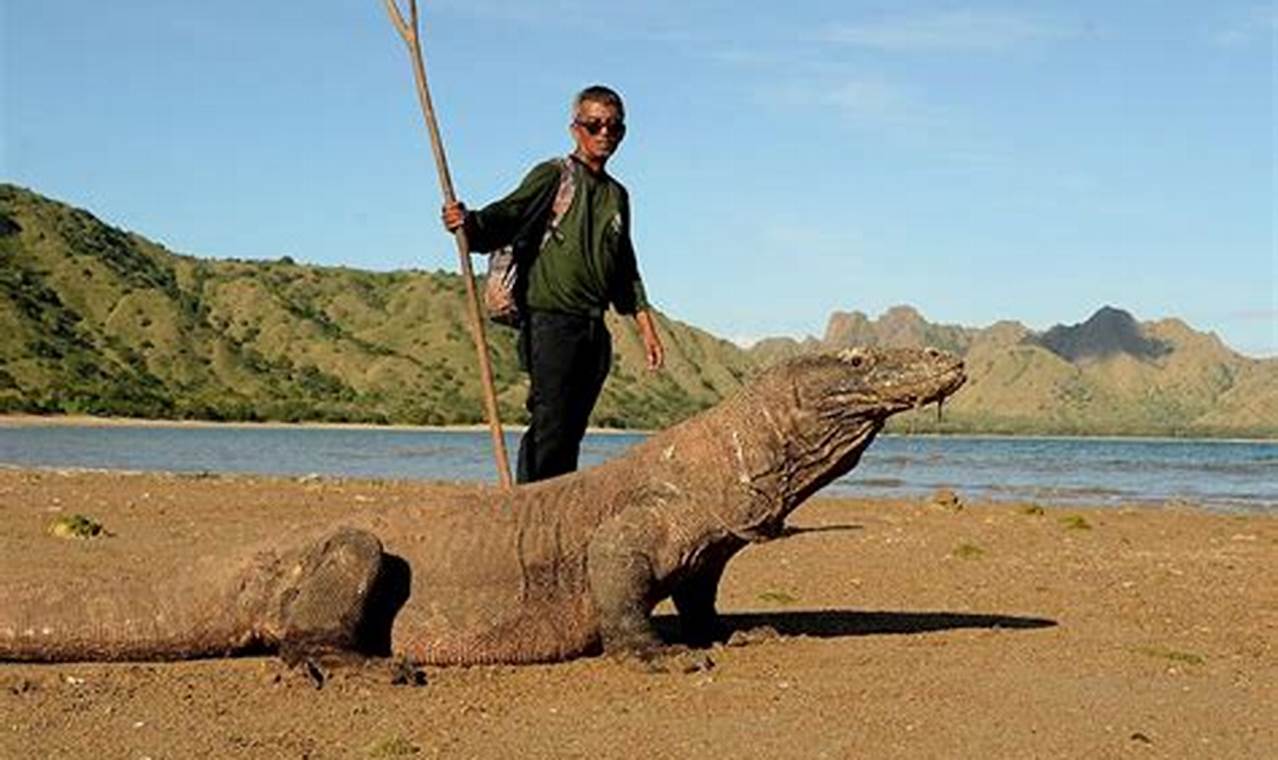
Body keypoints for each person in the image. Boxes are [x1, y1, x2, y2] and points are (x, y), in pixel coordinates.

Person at [442, 85, 664, 484]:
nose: (604, 134)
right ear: (575, 128)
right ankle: (530, 509)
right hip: (550, 322)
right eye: (594, 125)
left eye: (614, 127)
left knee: (573, 427)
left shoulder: (617, 196)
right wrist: (468, 222)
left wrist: (647, 329)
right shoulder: (554, 176)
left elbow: (625, 269)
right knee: (550, 423)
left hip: (594, 328)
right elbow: (506, 214)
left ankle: (556, 509)